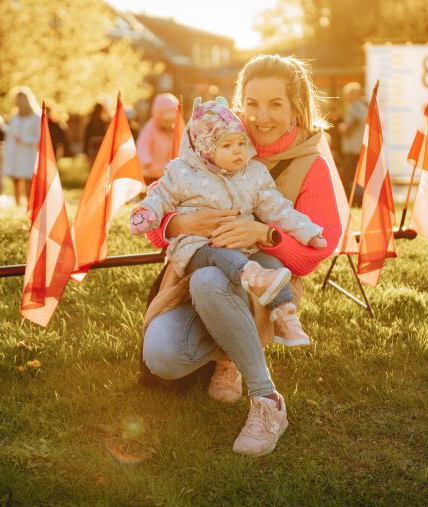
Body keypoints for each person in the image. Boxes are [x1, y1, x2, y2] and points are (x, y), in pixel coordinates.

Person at [140, 55, 345, 457]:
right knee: (164, 356)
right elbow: (156, 222)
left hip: (265, 284)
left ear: (296, 107)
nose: (261, 116)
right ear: (240, 103)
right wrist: (182, 225)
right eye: (251, 103)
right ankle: (231, 348)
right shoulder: (210, 139)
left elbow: (314, 253)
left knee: (210, 279)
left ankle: (266, 400)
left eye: (275, 104)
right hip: (198, 266)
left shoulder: (310, 164)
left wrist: (264, 234)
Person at [131, 100, 327, 347]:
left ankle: (285, 317)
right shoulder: (181, 173)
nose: (238, 151)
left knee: (272, 265)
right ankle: (249, 280)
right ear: (206, 150)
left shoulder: (251, 173)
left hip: (241, 247)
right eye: (226, 145)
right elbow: (159, 197)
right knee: (224, 260)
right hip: (199, 248)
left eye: (241, 143)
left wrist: (308, 232)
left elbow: (277, 208)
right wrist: (148, 214)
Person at [2, 87, 41, 206]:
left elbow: (39, 137)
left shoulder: (36, 117)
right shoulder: (15, 116)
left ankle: (30, 205)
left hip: (28, 153)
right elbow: (10, 135)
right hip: (15, 153)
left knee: (29, 180)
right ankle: (17, 204)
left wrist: (24, 140)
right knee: (15, 179)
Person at [135, 93, 180, 186]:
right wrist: (147, 162)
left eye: (172, 121)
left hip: (166, 173)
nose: (169, 124)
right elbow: (142, 146)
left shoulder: (172, 132)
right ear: (158, 116)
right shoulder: (150, 129)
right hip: (150, 173)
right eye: (166, 121)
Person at [339, 82, 368, 199]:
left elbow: (356, 120)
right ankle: (358, 199)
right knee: (358, 177)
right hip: (360, 148)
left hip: (352, 149)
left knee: (347, 177)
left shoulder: (354, 106)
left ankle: (348, 199)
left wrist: (345, 130)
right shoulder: (363, 106)